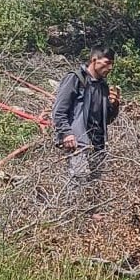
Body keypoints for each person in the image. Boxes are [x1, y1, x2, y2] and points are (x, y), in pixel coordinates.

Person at [52, 45, 121, 182]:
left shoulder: (103, 86)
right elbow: (58, 111)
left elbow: (106, 120)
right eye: (107, 63)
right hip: (79, 144)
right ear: (94, 59)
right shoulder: (75, 79)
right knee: (79, 184)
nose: (110, 68)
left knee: (94, 188)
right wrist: (67, 133)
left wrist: (114, 105)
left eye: (112, 64)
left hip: (98, 146)